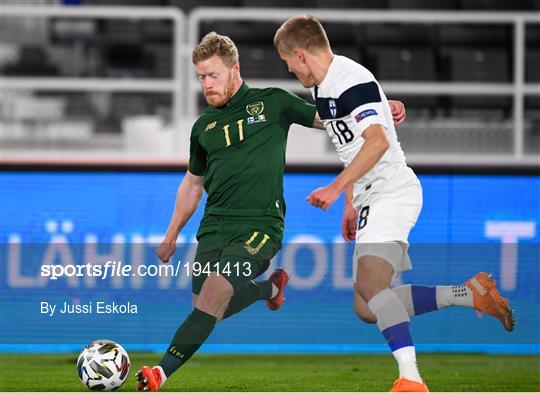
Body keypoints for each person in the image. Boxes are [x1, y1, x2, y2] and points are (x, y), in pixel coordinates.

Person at [135, 30, 408, 392]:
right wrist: (171, 234)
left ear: (235, 69)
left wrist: (377, 109)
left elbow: (330, 118)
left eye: (213, 75)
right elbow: (192, 184)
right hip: (214, 227)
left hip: (259, 227)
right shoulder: (203, 128)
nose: (207, 84)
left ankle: (160, 373)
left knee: (215, 294)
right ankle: (268, 290)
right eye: (201, 77)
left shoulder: (272, 103)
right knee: (206, 304)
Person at [274, 15, 515, 393]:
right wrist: (351, 203)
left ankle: (411, 379)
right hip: (371, 195)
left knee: (372, 287)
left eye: (287, 61)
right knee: (368, 307)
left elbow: (378, 143)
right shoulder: (325, 87)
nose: (288, 69)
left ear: (300, 54)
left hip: (393, 191)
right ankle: (469, 294)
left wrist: (337, 189)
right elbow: (353, 142)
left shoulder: (349, 80)